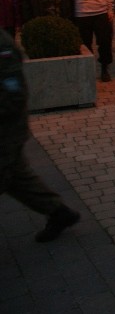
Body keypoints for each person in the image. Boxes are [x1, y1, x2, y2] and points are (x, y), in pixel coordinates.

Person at [0, 28, 81, 242]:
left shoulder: (2, 46)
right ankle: (59, 212)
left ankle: (58, 212)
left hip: (6, 130)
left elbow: (13, 95)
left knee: (10, 175)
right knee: (17, 177)